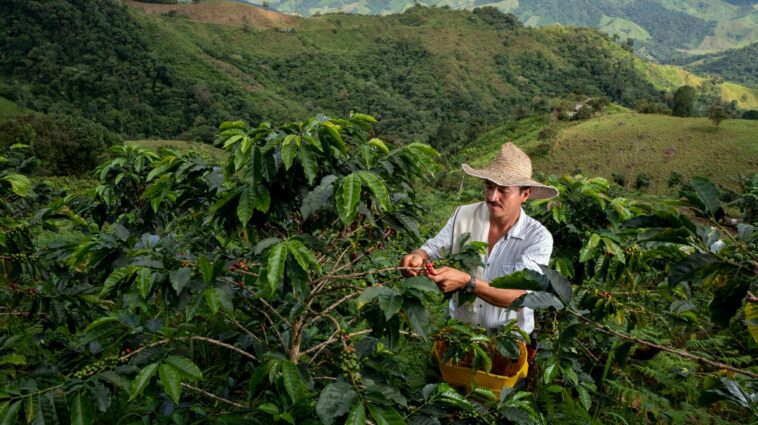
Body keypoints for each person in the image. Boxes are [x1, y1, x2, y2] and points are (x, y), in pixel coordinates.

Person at [400, 143, 558, 334]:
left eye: (503, 190)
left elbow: (521, 298)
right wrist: (417, 256)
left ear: (525, 194)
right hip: (460, 333)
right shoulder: (463, 215)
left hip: (510, 339)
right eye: (489, 186)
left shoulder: (537, 238)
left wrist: (469, 282)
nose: (492, 197)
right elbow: (432, 249)